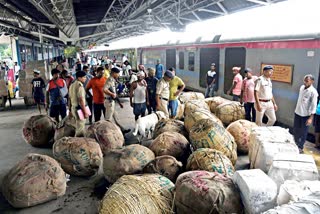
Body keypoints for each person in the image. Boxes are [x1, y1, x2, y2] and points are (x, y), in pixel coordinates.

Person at [293, 74, 318, 152]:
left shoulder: (313, 92)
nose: (305, 82)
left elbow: (314, 106)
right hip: (297, 112)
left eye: (307, 81)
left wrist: (311, 118)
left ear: (312, 81)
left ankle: (300, 146)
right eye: (305, 80)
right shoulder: (302, 87)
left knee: (303, 132)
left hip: (305, 115)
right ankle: (295, 143)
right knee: (296, 129)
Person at [103, 67, 130, 133]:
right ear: (114, 73)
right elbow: (104, 89)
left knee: (116, 118)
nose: (118, 75)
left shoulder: (113, 80)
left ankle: (121, 130)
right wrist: (112, 94)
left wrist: (119, 103)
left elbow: (115, 94)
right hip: (109, 102)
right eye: (117, 73)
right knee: (108, 119)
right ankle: (106, 133)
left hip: (112, 101)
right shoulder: (109, 80)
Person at [69, 71, 88, 137]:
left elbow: (69, 98)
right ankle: (77, 142)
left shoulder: (72, 85)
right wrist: (85, 112)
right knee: (80, 127)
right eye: (84, 77)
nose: (85, 79)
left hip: (73, 107)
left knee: (77, 125)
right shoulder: (80, 85)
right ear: (79, 78)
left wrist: (69, 110)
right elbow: (81, 100)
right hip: (79, 109)